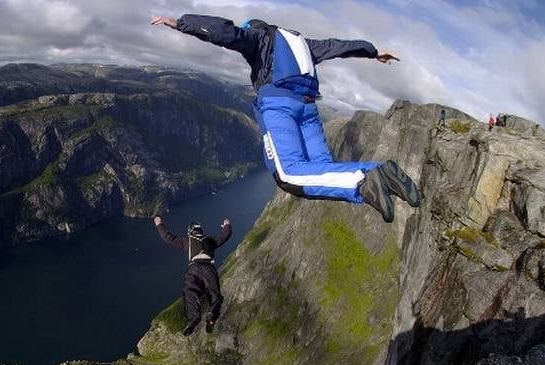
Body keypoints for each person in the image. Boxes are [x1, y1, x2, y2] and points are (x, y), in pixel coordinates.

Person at [151, 14, 420, 223]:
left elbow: (228, 33)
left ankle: (367, 176)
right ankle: (381, 175)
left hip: (280, 106)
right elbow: (338, 46)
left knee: (289, 174)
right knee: (321, 172)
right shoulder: (303, 42)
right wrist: (371, 51)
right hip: (309, 111)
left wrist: (182, 24)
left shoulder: (259, 36)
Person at [154, 216, 232, 336]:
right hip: (208, 268)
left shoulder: (186, 241)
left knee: (190, 291)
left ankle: (193, 319)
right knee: (215, 295)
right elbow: (225, 235)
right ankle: (211, 314)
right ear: (200, 230)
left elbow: (168, 237)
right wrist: (227, 225)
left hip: (194, 268)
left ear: (190, 231)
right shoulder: (211, 239)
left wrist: (159, 224)